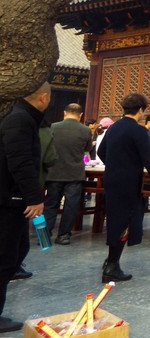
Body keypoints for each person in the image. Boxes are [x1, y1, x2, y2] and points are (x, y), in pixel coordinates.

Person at [97, 93, 150, 283]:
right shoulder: (139, 131)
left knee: (115, 218)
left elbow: (102, 152)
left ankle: (111, 261)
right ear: (141, 110)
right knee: (125, 220)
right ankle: (112, 265)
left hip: (111, 178)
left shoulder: (113, 128)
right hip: (128, 181)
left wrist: (115, 164)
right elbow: (147, 159)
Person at [0, 82, 50, 333]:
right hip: (9, 199)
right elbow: (20, 160)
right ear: (43, 98)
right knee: (5, 257)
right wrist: (34, 197)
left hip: (13, 198)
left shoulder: (22, 117)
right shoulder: (20, 119)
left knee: (18, 249)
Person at [44, 103, 93, 245]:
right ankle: (64, 235)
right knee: (71, 205)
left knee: (51, 204)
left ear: (65, 113)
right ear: (81, 115)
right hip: (74, 174)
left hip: (54, 172)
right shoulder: (85, 130)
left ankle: (45, 235)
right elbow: (87, 148)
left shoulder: (53, 127)